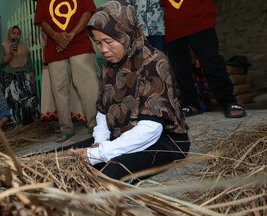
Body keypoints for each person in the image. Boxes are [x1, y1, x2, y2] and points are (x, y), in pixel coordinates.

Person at [73, 0, 190, 181]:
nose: (103, 49)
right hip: (122, 132)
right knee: (66, 157)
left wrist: (99, 154)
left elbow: (150, 130)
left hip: (163, 140)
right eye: (98, 43)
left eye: (108, 41)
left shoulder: (154, 62)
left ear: (126, 34)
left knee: (109, 173)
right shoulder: (109, 65)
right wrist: (99, 145)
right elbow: (103, 111)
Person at [160, 0, 246, 118]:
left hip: (201, 21)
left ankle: (229, 102)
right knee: (180, 70)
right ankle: (191, 104)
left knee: (212, 63)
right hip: (173, 27)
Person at [34, 0, 100, 143]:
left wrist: (71, 35)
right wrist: (56, 36)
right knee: (59, 90)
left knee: (89, 86)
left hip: (79, 43)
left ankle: (96, 126)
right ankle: (66, 129)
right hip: (54, 46)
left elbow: (87, 12)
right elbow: (42, 20)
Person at [0, 25, 38, 126]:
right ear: (9, 34)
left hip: (24, 79)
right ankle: (14, 126)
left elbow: (29, 64)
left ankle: (28, 125)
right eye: (13, 33)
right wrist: (10, 53)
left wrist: (31, 78)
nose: (16, 36)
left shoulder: (24, 48)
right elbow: (0, 63)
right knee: (12, 103)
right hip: (9, 78)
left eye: (18, 34)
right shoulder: (3, 46)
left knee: (27, 102)